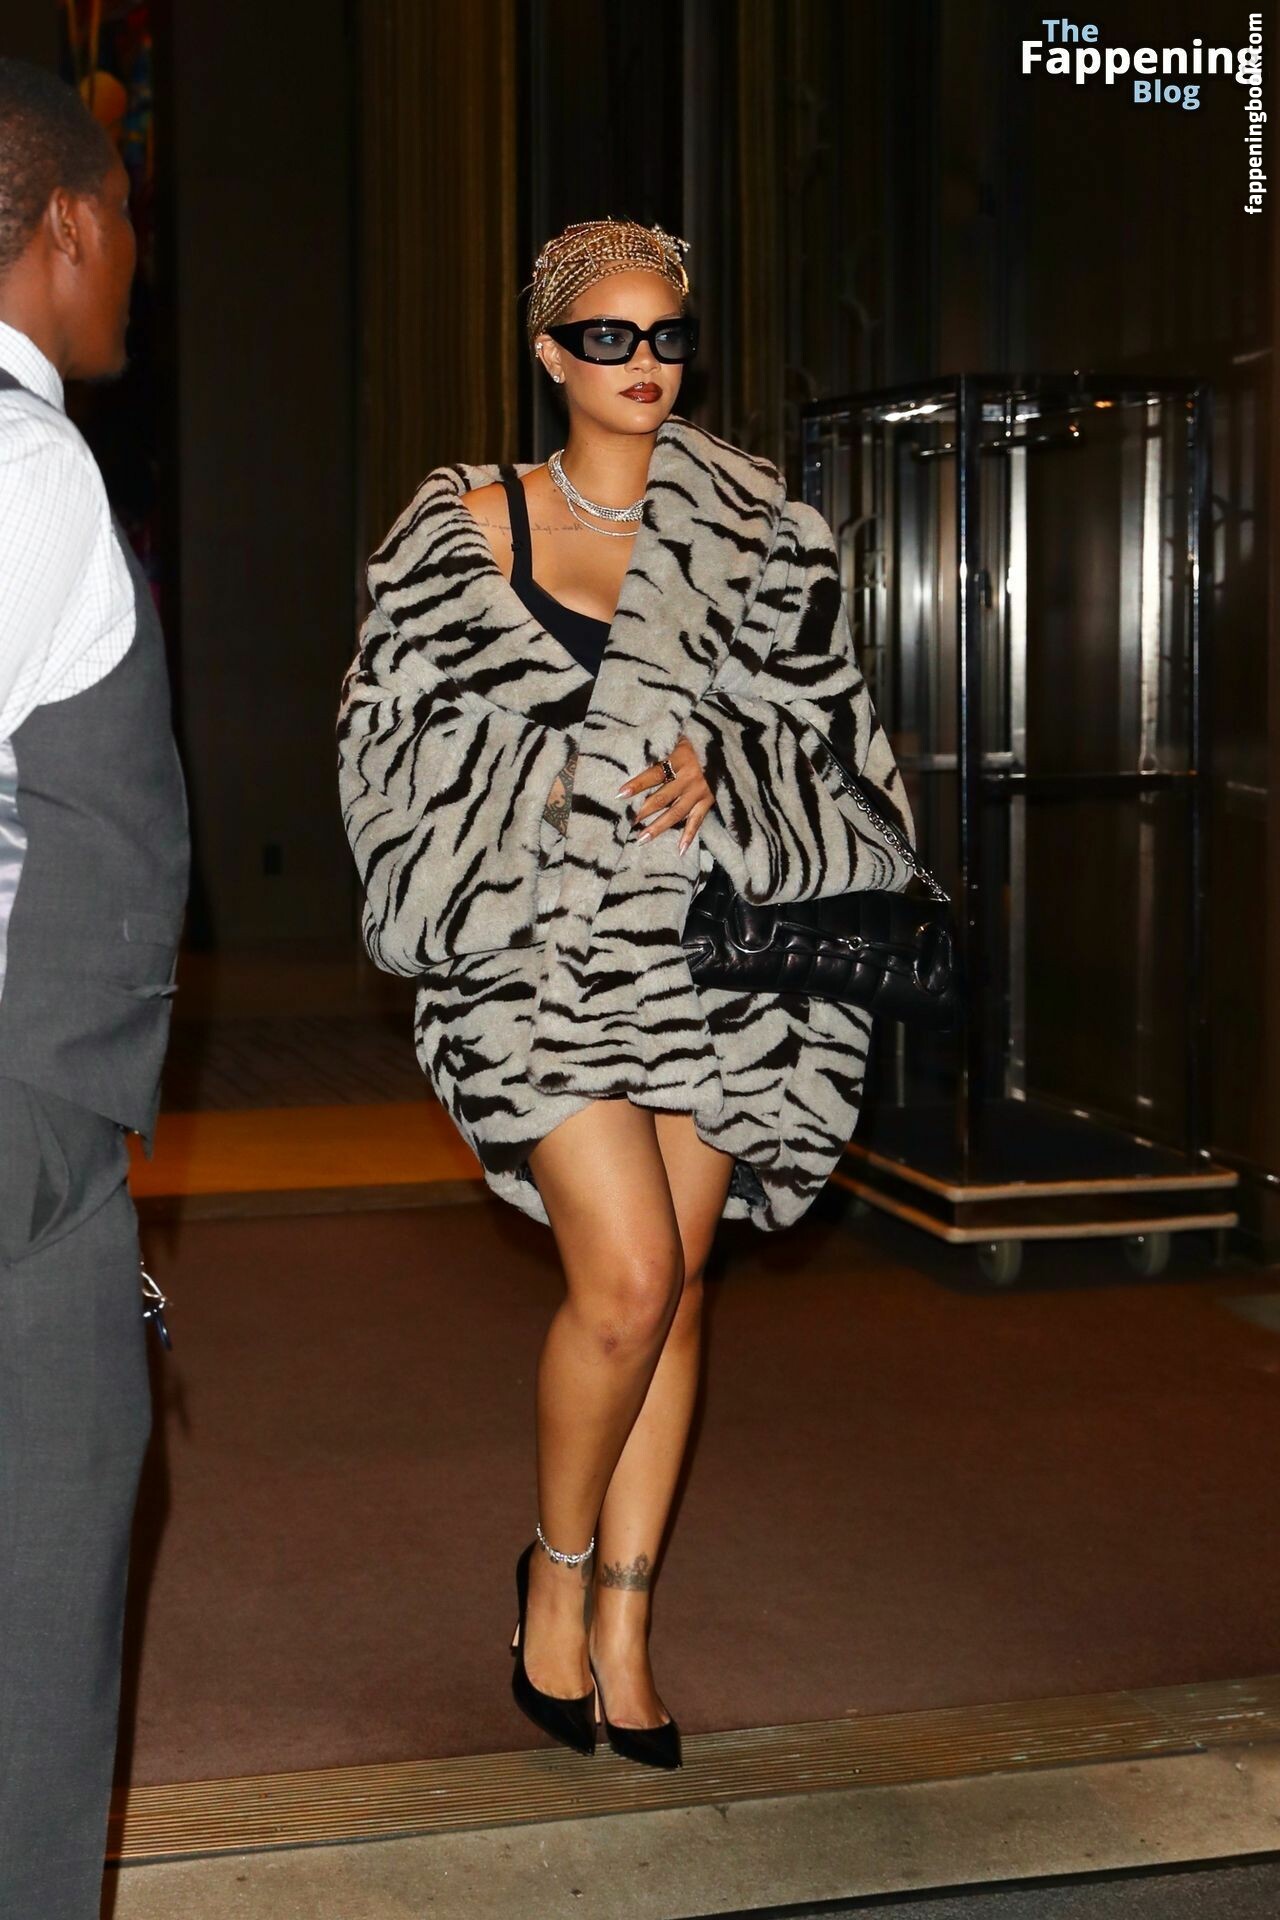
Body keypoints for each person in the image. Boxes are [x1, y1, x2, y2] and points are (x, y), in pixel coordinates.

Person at [338, 217, 913, 1770]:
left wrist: (728, 769)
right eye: (608, 337)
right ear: (550, 354)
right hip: (531, 964)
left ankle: (630, 1627)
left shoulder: (758, 532)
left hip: (707, 961)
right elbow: (382, 753)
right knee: (631, 1279)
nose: (644, 362)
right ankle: (556, 1568)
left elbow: (838, 743)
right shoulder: (459, 531)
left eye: (668, 336)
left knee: (689, 1286)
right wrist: (544, 781)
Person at [0, 59, 188, 1918]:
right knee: (35, 1663)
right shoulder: (29, 461)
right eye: (126, 211)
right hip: (19, 1133)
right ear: (66, 222)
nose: (138, 249)